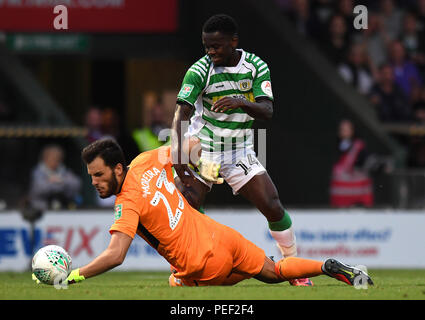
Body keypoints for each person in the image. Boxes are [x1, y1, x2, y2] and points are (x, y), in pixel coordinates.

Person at [34, 138, 373, 288]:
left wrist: (74, 275)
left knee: (174, 282)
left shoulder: (127, 203)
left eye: (99, 174)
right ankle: (328, 266)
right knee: (273, 271)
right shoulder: (145, 161)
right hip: (222, 236)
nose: (94, 181)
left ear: (118, 170)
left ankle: (185, 278)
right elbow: (190, 144)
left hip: (200, 264)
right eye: (91, 176)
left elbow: (115, 255)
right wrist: (207, 166)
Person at [171, 14, 310, 286]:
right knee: (187, 205)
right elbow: (180, 115)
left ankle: (295, 269)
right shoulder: (199, 70)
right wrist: (178, 159)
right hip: (205, 150)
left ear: (234, 42)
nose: (211, 52)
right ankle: (187, 271)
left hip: (238, 151)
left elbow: (267, 111)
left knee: (271, 204)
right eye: (206, 46)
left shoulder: (256, 66)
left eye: (217, 46)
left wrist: (239, 102)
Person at [330, 119, 373, 208]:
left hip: (359, 199)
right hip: (340, 200)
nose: (344, 132)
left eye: (347, 129)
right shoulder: (337, 147)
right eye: (342, 130)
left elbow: (366, 162)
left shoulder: (359, 147)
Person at [28, 144, 82, 211]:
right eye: (53, 158)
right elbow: (40, 188)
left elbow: (76, 183)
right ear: (45, 158)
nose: (56, 161)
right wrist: (55, 182)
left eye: (58, 158)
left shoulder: (64, 170)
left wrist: (60, 180)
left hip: (62, 209)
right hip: (40, 210)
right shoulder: (38, 172)